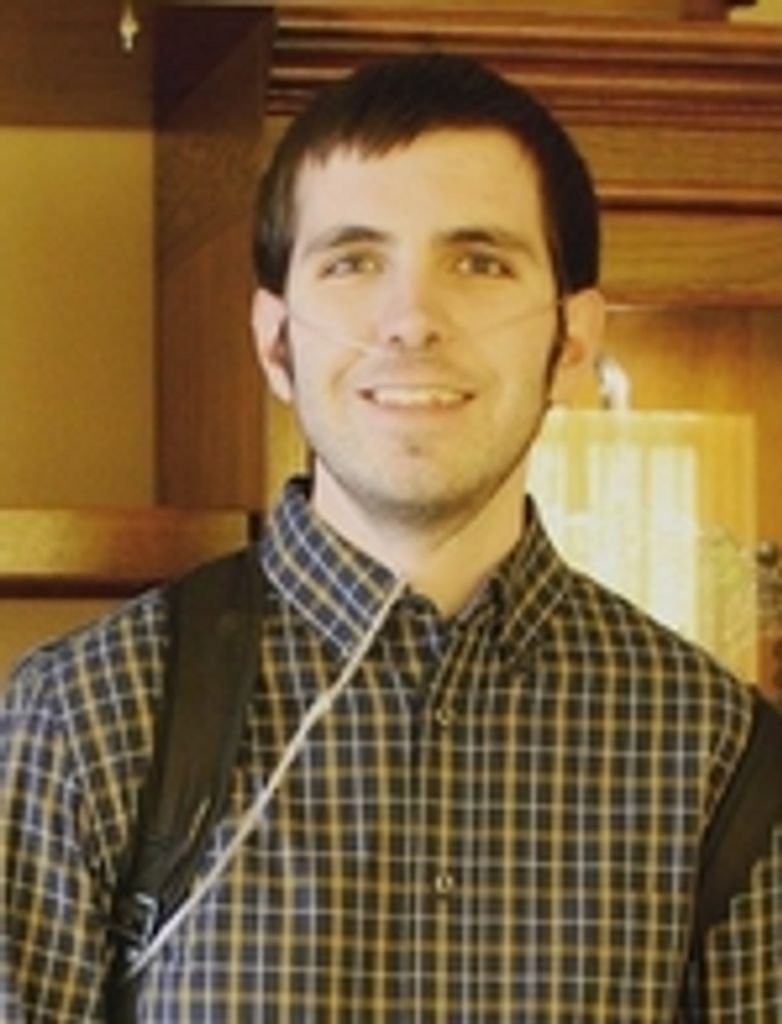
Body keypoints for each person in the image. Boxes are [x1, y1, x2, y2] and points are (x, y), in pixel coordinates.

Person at [1, 52, 780, 1023]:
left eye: (480, 262)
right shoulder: (82, 721)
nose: (411, 320)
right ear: (275, 340)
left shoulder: (722, 760)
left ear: (572, 340)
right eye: (353, 261)